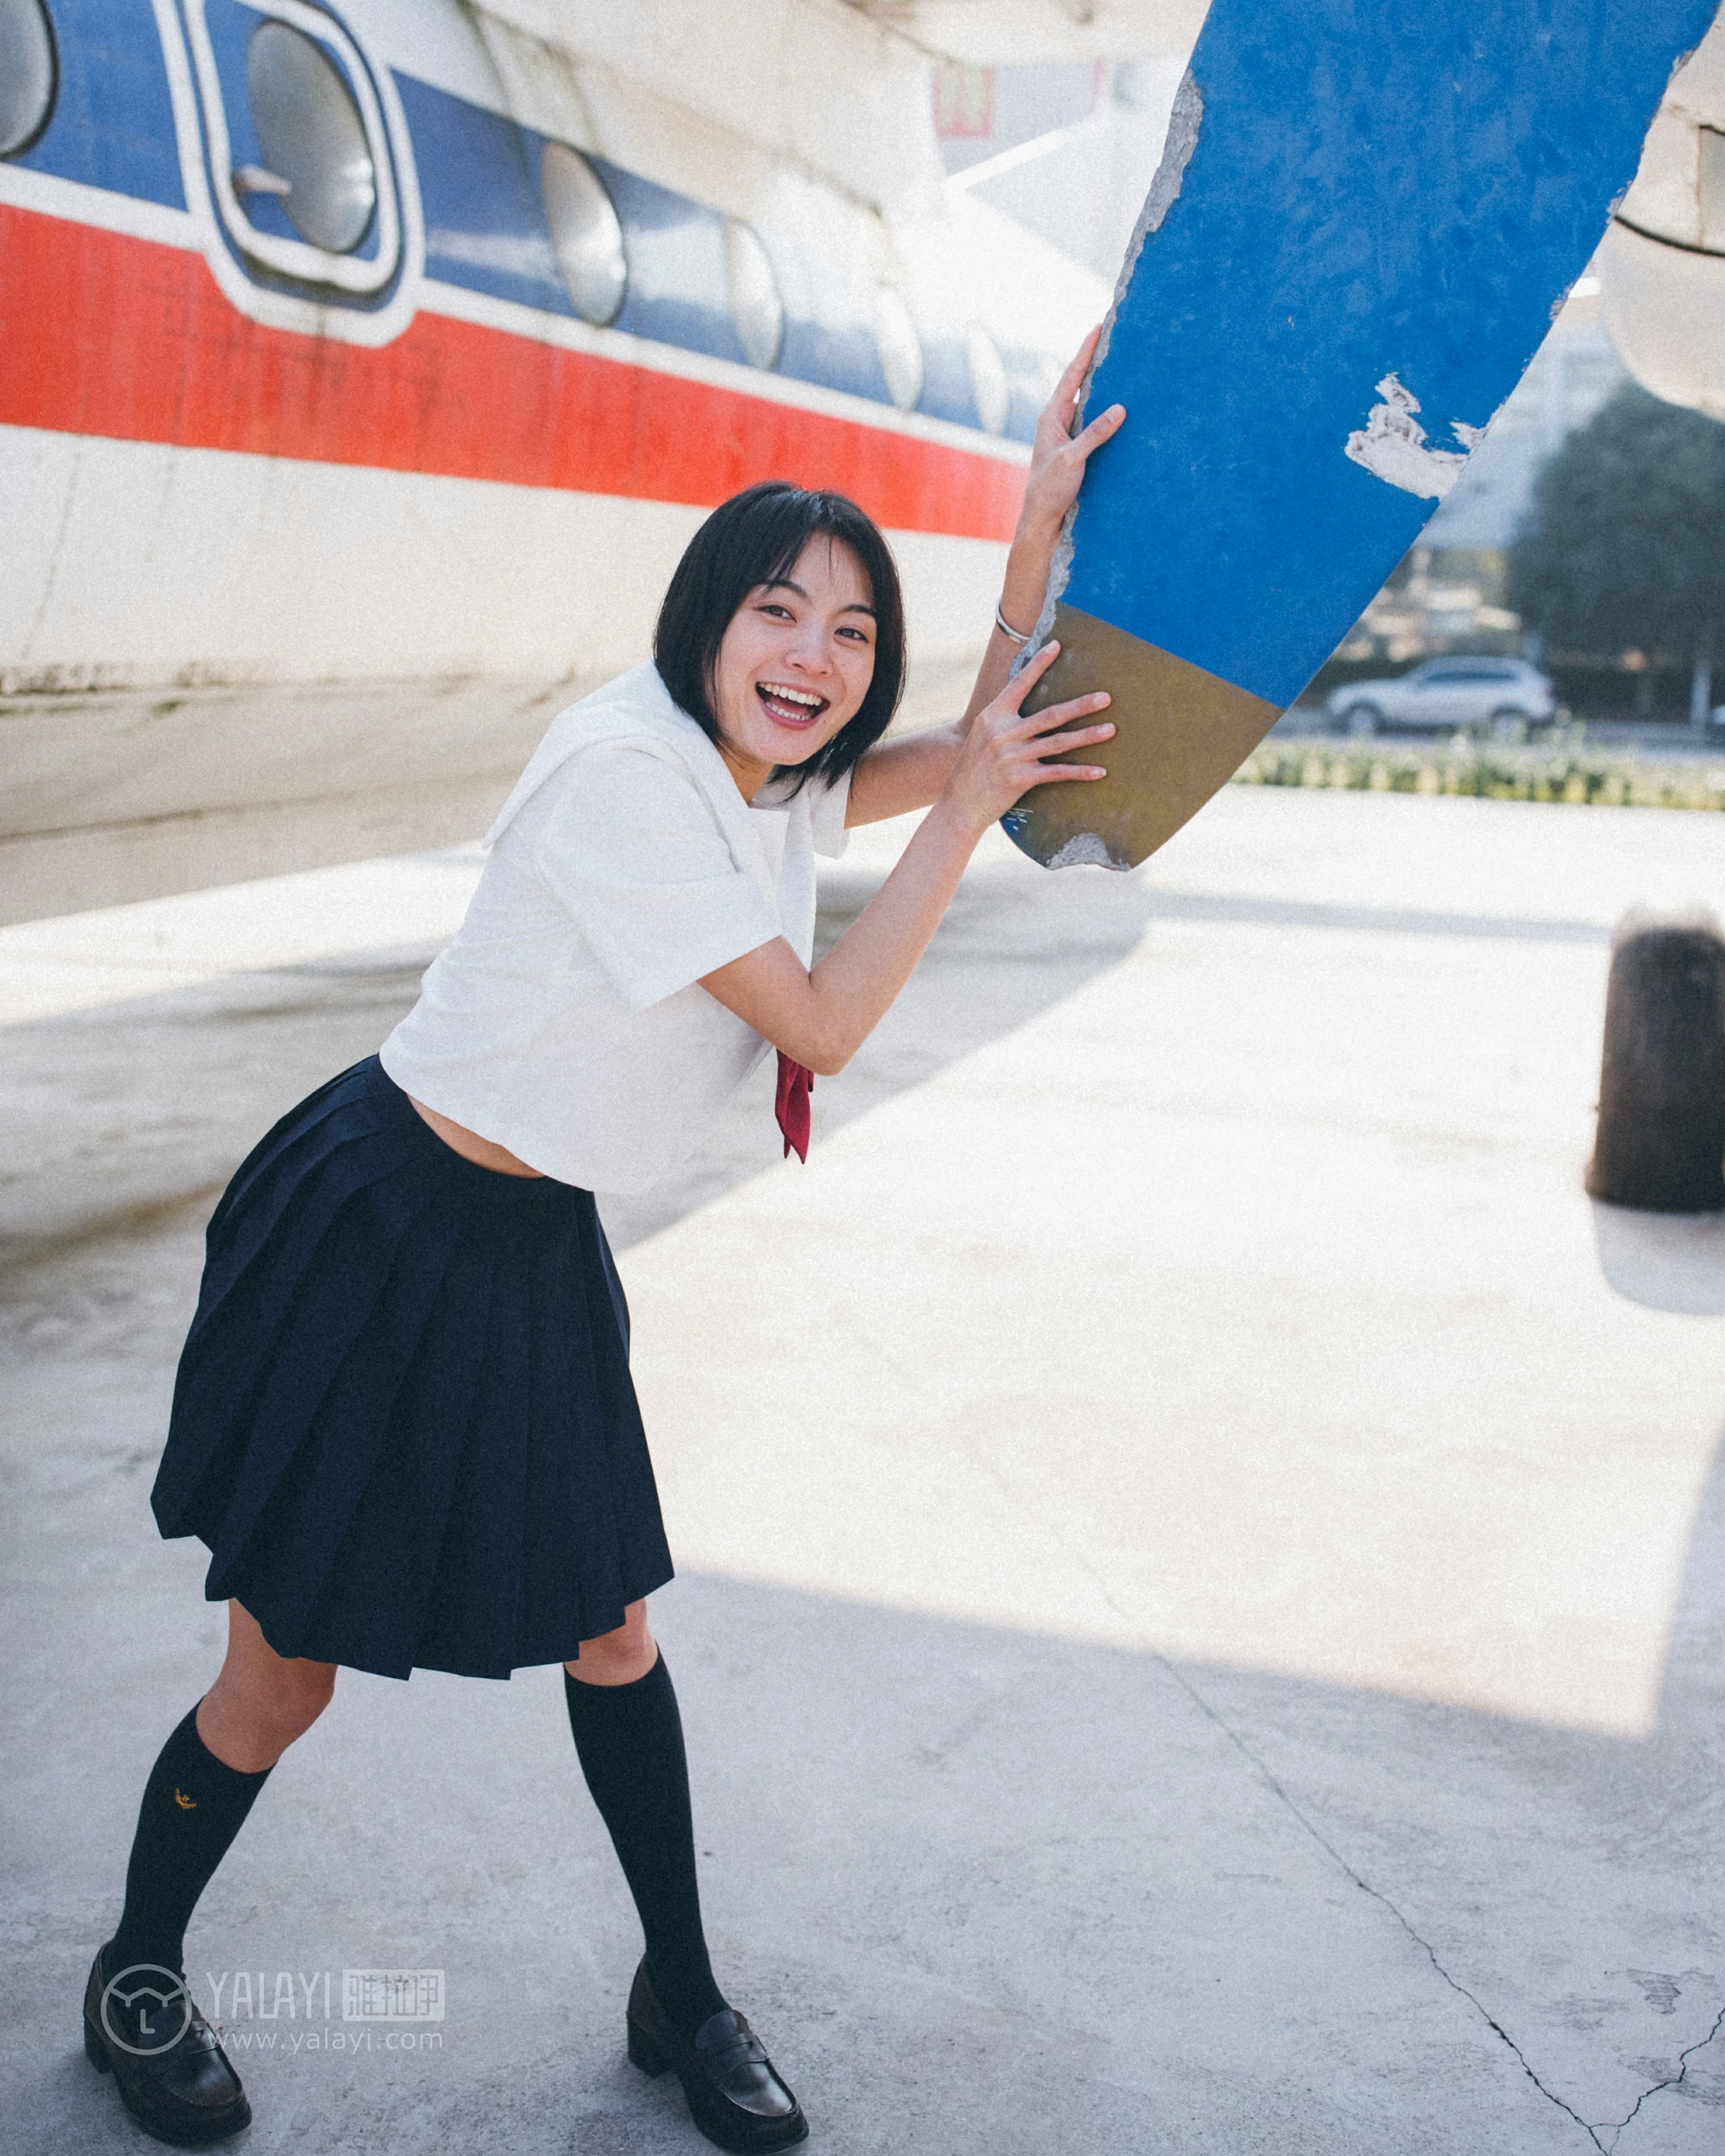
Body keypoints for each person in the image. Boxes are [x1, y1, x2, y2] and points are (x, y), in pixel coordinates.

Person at [82, 331, 1124, 2152]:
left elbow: (972, 741)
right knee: (285, 1671)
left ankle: (680, 1994)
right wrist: (962, 812)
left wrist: (1038, 517)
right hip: (383, 1222)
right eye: (781, 616)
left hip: (526, 1237)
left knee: (613, 1629)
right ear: (706, 617)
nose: (815, 661)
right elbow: (817, 1019)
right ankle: (135, 1981)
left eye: (852, 634)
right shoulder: (631, 778)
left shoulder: (755, 760)